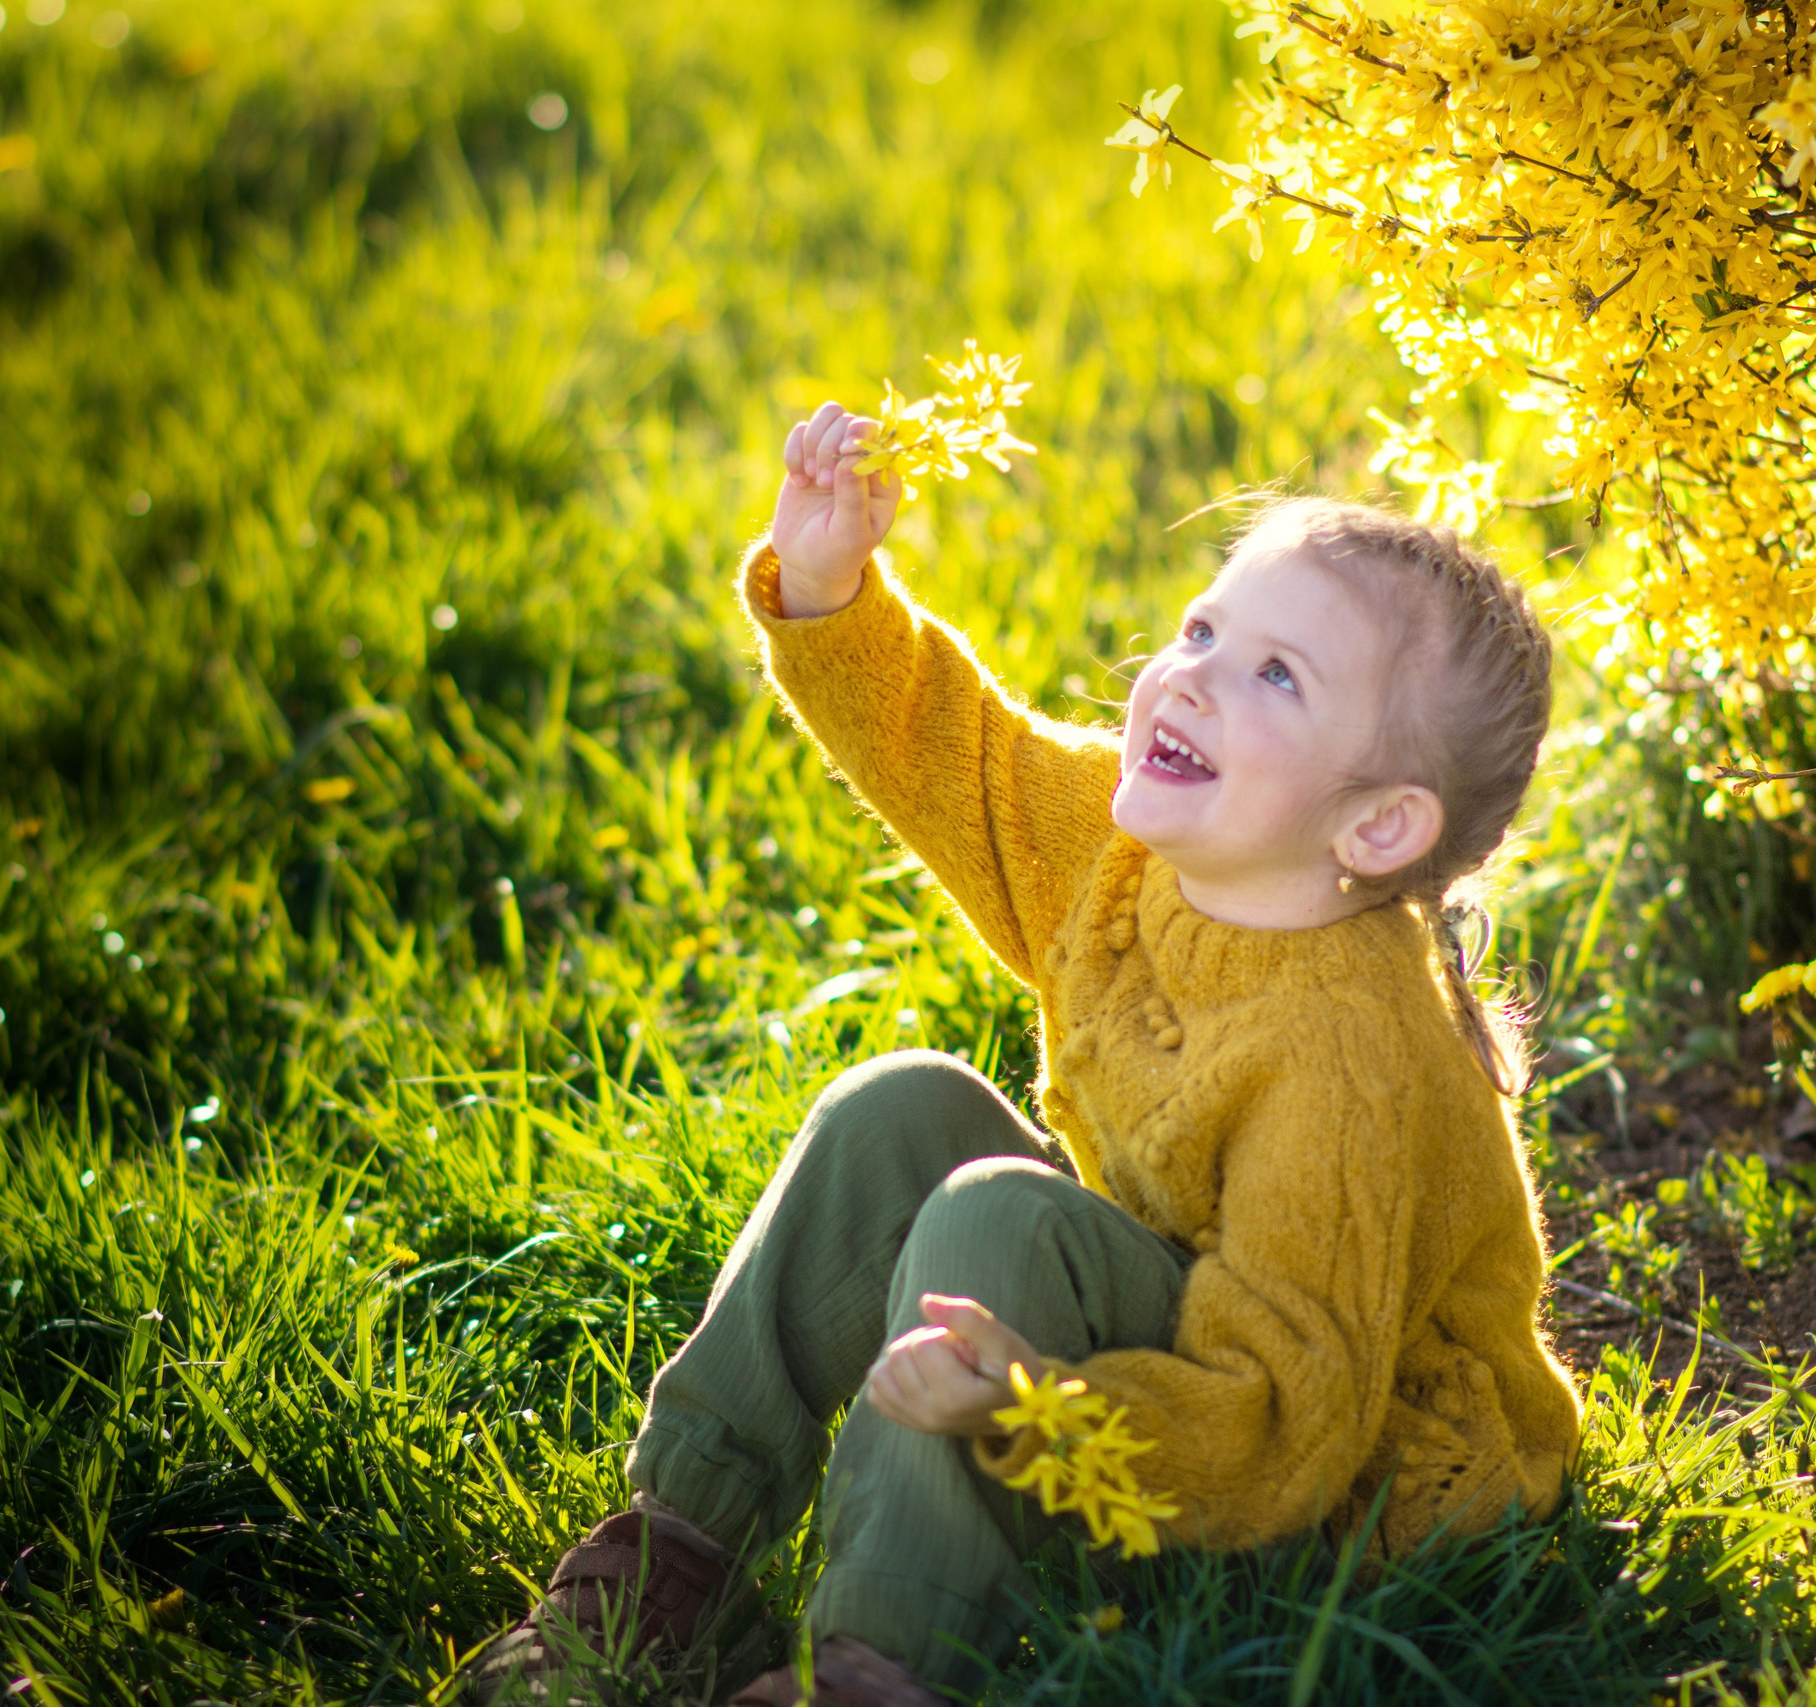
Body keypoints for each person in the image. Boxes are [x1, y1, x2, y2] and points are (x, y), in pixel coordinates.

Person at [469, 402, 1583, 1706]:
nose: (1190, 677)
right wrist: (832, 588)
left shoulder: (1348, 1059)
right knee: (901, 1111)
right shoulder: (1148, 853)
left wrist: (1036, 1406)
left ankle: (881, 1666)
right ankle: (676, 1547)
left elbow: (1286, 1421)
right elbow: (956, 757)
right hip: (1197, 1320)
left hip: (1343, 1484)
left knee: (996, 1220)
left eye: (1277, 676)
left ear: (1380, 828)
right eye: (1203, 629)